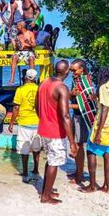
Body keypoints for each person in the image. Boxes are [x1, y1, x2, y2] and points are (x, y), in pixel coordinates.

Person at [37, 60, 77, 204]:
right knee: (54, 163)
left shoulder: (43, 83)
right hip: (55, 131)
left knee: (50, 160)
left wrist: (44, 119)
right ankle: (45, 196)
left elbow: (37, 106)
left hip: (43, 129)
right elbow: (66, 116)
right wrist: (72, 142)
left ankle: (47, 189)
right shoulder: (62, 88)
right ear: (66, 72)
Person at [81, 67, 109, 194]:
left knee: (90, 151)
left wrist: (98, 132)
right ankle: (106, 186)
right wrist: (96, 98)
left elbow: (105, 109)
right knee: (108, 152)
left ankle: (92, 185)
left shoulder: (104, 87)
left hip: (103, 124)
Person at [9, 69, 41, 183]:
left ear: (25, 77)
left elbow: (16, 108)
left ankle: (25, 171)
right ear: (35, 78)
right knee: (37, 148)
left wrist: (12, 122)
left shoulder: (20, 90)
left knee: (24, 150)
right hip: (38, 123)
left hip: (24, 123)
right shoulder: (40, 89)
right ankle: (36, 169)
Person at [68, 59, 97, 185]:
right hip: (77, 116)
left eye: (74, 70)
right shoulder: (76, 81)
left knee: (79, 146)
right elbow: (74, 98)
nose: (72, 73)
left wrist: (65, 106)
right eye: (70, 70)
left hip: (82, 117)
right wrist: (70, 94)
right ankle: (78, 171)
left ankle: (79, 175)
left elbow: (86, 106)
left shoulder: (85, 83)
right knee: (76, 144)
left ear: (82, 70)